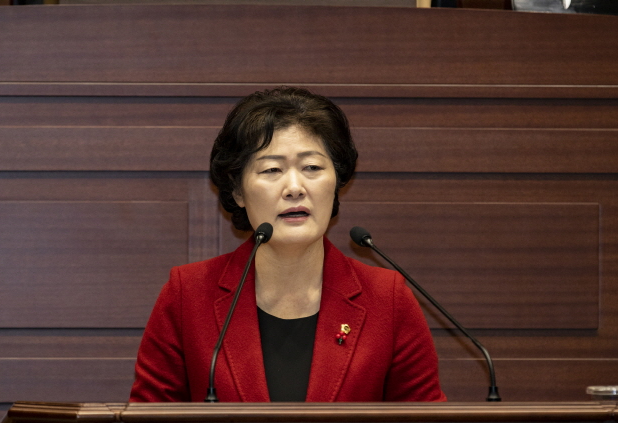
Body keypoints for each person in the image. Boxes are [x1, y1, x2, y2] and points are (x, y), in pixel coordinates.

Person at [130, 86, 446, 402]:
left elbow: (425, 418)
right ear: (238, 191)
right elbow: (149, 416)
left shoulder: (388, 299)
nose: (294, 187)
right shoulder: (188, 295)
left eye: (312, 168)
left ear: (336, 181)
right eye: (272, 169)